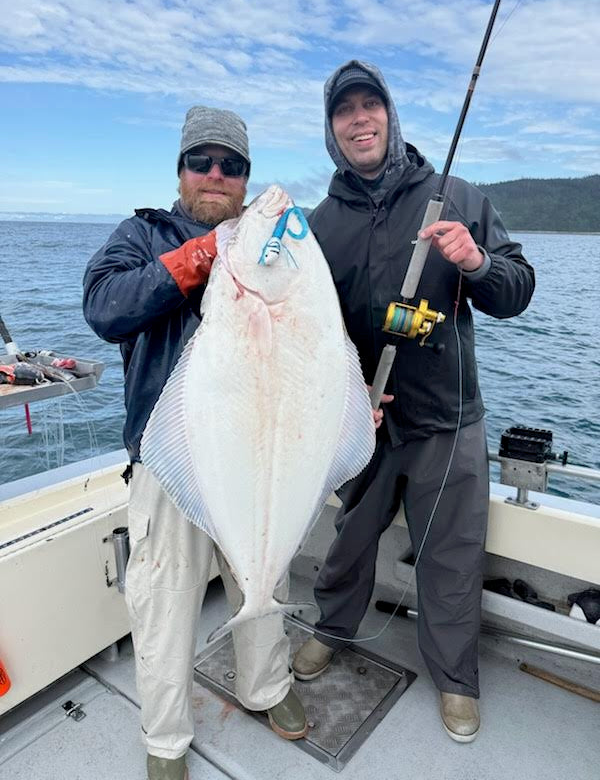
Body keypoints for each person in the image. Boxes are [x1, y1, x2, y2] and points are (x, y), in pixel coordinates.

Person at [292, 61, 535, 743]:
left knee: (451, 557)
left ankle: (456, 678)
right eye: (345, 111)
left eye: (371, 105)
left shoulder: (457, 196)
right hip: (362, 423)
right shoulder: (319, 223)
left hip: (447, 420)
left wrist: (476, 263)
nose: (359, 119)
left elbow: (516, 290)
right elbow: (308, 331)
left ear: (391, 116)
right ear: (331, 129)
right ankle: (332, 628)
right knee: (347, 543)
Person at [83, 106, 307, 780]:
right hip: (169, 457)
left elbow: (308, 333)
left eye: (231, 165)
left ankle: (268, 686)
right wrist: (198, 257)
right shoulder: (140, 233)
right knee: (163, 602)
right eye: (202, 161)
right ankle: (165, 740)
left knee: (261, 578)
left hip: (257, 453)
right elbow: (105, 307)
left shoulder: (274, 243)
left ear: (246, 178)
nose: (216, 174)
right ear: (180, 171)